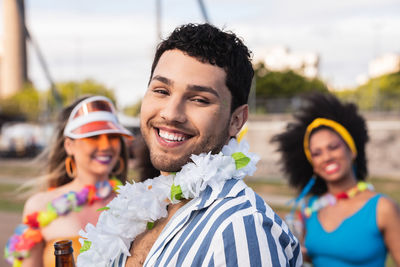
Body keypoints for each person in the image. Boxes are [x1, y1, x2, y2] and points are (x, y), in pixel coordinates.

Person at [77, 23, 302, 267]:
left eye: (199, 99)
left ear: (236, 120)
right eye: (162, 90)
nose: (171, 114)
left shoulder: (239, 227)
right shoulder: (142, 207)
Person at [271, 92, 400, 266]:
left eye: (333, 147)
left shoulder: (382, 208)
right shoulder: (310, 209)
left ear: (352, 150)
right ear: (313, 165)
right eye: (317, 153)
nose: (327, 157)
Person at [5, 95, 133, 267]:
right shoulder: (39, 206)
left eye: (112, 136)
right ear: (69, 145)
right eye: (93, 136)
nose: (106, 146)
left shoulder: (134, 203)